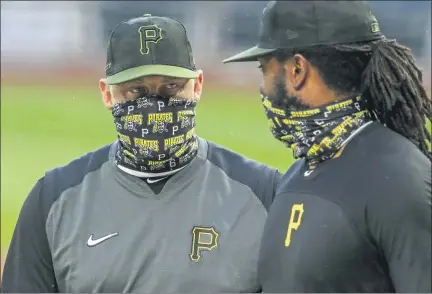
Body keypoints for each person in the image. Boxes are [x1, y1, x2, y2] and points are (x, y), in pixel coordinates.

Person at [2, 14, 281, 293]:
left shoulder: (264, 193)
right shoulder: (53, 199)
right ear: (107, 94)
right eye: (136, 91)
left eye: (171, 87)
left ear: (197, 85)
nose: (155, 104)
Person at [223, 1, 431, 292]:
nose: (263, 88)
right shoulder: (301, 171)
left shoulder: (401, 179)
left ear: (297, 69)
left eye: (264, 70)